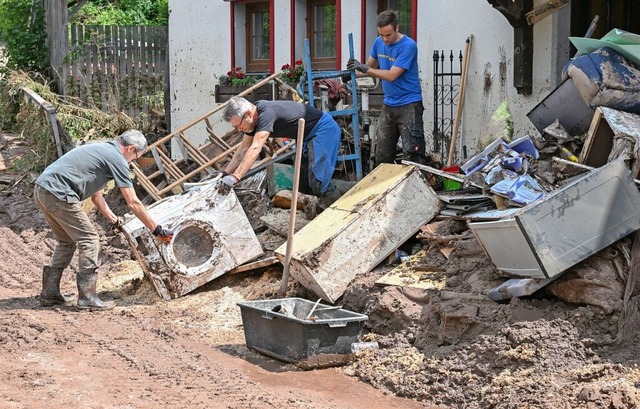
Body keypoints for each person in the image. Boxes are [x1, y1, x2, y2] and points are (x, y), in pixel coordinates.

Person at [34, 130, 173, 311]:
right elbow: (133, 202)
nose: (134, 161)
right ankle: (87, 298)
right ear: (131, 148)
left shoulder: (101, 150)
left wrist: (113, 219)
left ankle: (50, 294)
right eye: (137, 156)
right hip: (58, 193)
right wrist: (156, 230)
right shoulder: (117, 159)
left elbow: (95, 196)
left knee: (66, 242)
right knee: (89, 239)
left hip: (43, 190)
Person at [220, 97, 343, 207]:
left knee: (318, 181)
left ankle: (339, 209)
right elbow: (243, 149)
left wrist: (236, 176)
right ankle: (331, 200)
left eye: (238, 125)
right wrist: (224, 173)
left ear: (248, 114)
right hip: (307, 136)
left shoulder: (266, 114)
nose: (239, 129)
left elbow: (256, 147)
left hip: (323, 130)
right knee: (304, 185)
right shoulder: (253, 120)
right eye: (235, 127)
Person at [347, 10, 426, 166]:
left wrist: (365, 69)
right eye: (381, 35)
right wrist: (351, 74)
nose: (385, 39)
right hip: (389, 104)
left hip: (409, 104)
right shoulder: (378, 43)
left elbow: (391, 75)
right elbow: (369, 67)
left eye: (388, 35)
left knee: (412, 154)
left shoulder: (408, 46)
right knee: (382, 155)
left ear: (397, 28)